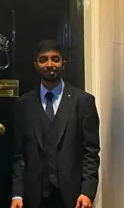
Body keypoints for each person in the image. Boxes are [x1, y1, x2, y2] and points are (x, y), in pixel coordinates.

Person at [10, 40, 100, 208]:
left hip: (73, 196)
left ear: (63, 63)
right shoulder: (23, 104)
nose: (50, 64)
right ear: (36, 65)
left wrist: (87, 192)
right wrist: (17, 194)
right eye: (43, 59)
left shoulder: (83, 101)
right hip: (34, 195)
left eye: (55, 59)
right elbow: (19, 154)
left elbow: (91, 151)